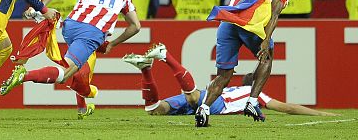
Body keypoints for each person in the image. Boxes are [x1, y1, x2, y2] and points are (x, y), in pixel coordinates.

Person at [0, 0, 141, 100]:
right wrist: (112, 43)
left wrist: (41, 6)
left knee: (79, 66)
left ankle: (82, 107)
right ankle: (23, 75)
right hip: (91, 33)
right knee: (65, 73)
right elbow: (135, 26)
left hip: (70, 27)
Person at [123, 43, 333, 117]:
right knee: (194, 98)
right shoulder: (254, 95)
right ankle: (165, 55)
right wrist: (321, 113)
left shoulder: (231, 89)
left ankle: (146, 69)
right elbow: (288, 108)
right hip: (215, 103)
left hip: (211, 96)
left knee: (155, 110)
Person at [195, 0, 289, 127]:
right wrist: (266, 40)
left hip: (228, 24)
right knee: (266, 58)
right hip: (250, 27)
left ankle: (204, 108)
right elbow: (274, 14)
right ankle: (252, 102)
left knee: (224, 75)